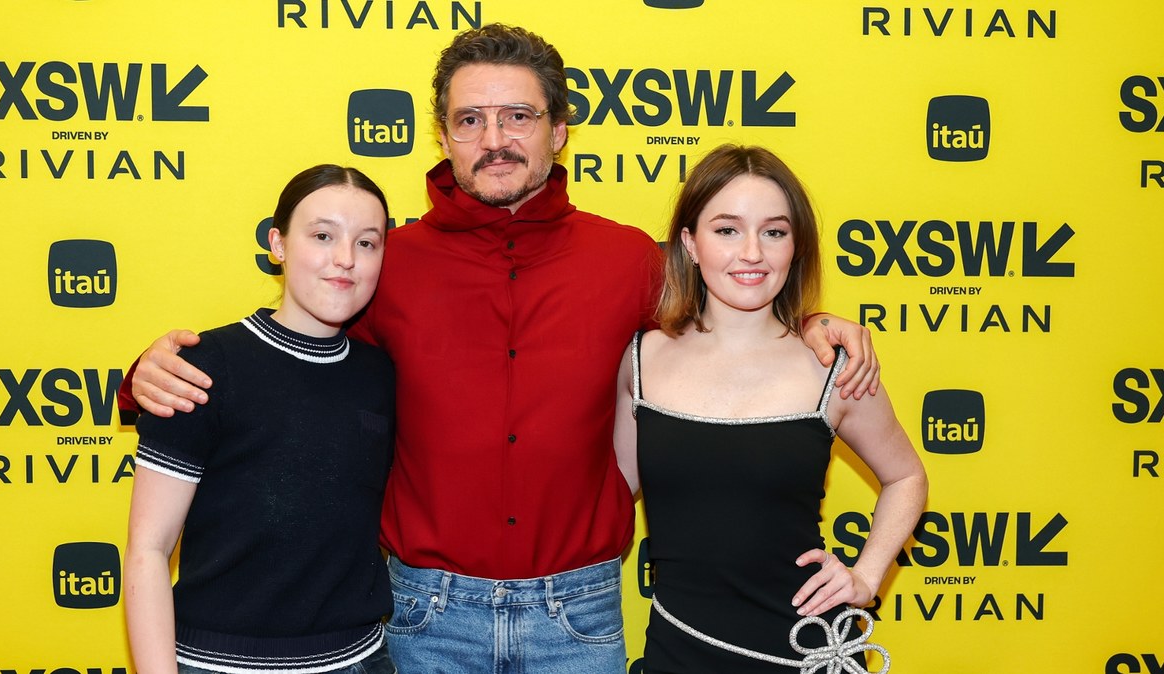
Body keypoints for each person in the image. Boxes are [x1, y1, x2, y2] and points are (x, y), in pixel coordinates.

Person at [121, 25, 881, 674]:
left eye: (519, 116)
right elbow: (285, 359)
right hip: (425, 619)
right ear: (443, 133)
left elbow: (731, 318)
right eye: (470, 119)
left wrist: (812, 327)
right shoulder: (386, 261)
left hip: (578, 618)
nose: (494, 140)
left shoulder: (631, 261)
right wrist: (149, 377)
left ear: (559, 129)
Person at [613, 145, 928, 673]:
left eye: (775, 232)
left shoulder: (832, 366)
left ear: (795, 246)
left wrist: (867, 575)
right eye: (727, 230)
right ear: (690, 242)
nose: (753, 252)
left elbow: (907, 477)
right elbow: (611, 496)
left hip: (806, 649)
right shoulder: (642, 361)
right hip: (678, 651)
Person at [123, 165, 398, 674]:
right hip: (217, 664)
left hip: (358, 661)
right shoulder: (202, 367)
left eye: (367, 243)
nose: (345, 260)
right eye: (322, 236)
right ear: (278, 243)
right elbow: (148, 548)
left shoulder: (381, 374)